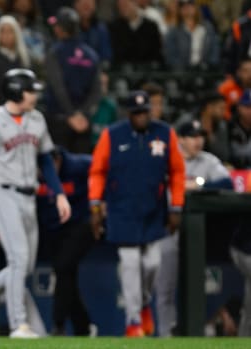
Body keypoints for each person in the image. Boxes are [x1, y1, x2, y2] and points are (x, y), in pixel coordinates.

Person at [0, 69, 71, 338]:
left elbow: (45, 158)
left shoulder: (37, 119)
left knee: (24, 268)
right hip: (2, 191)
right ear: (16, 90)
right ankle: (18, 325)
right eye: (30, 89)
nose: (34, 94)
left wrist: (58, 193)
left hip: (30, 195)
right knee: (18, 259)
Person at [89, 90, 185, 337]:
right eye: (137, 113)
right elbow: (97, 171)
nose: (142, 116)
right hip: (122, 209)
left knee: (153, 263)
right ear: (128, 113)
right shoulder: (112, 134)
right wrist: (96, 205)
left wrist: (176, 206)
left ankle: (143, 304)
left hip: (153, 209)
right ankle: (133, 321)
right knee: (131, 265)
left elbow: (176, 171)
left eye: (145, 112)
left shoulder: (165, 133)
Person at [155, 120, 233, 337]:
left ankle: (196, 331)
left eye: (201, 136)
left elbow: (227, 183)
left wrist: (199, 185)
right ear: (180, 139)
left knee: (197, 286)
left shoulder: (207, 160)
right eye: (192, 136)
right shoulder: (166, 159)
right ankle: (165, 335)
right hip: (168, 229)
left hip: (198, 233)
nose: (198, 140)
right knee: (165, 287)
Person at [38, 147, 96, 336]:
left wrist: (100, 208)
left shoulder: (79, 165)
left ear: (58, 159)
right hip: (53, 229)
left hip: (81, 224)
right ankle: (84, 327)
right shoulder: (34, 172)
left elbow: (103, 170)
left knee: (62, 268)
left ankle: (58, 325)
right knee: (66, 276)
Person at [44, 7, 101, 154]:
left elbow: (58, 88)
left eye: (56, 25)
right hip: (83, 122)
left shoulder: (55, 52)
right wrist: (81, 114)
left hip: (59, 121)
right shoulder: (92, 55)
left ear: (60, 29)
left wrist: (70, 115)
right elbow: (96, 92)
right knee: (80, 170)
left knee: (59, 170)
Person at [164, 0, 220, 71]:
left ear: (196, 6)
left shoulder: (208, 28)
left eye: (190, 3)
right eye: (182, 5)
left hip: (205, 72)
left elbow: (215, 52)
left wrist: (210, 67)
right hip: (181, 74)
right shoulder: (173, 32)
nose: (186, 7)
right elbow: (170, 57)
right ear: (179, 9)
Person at [109, 0, 162, 66]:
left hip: (148, 71)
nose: (123, 9)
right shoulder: (115, 27)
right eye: (120, 6)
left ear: (135, 3)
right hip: (122, 72)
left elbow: (157, 55)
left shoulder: (151, 27)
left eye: (125, 5)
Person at [74, 0, 112, 64]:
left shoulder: (101, 29)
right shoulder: (70, 29)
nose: (86, 5)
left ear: (94, 6)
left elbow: (106, 55)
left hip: (96, 69)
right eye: (83, 4)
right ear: (76, 5)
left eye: (89, 3)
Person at [228, 89, 251, 169]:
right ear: (239, 107)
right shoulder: (228, 127)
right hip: (235, 171)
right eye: (248, 107)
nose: (250, 111)